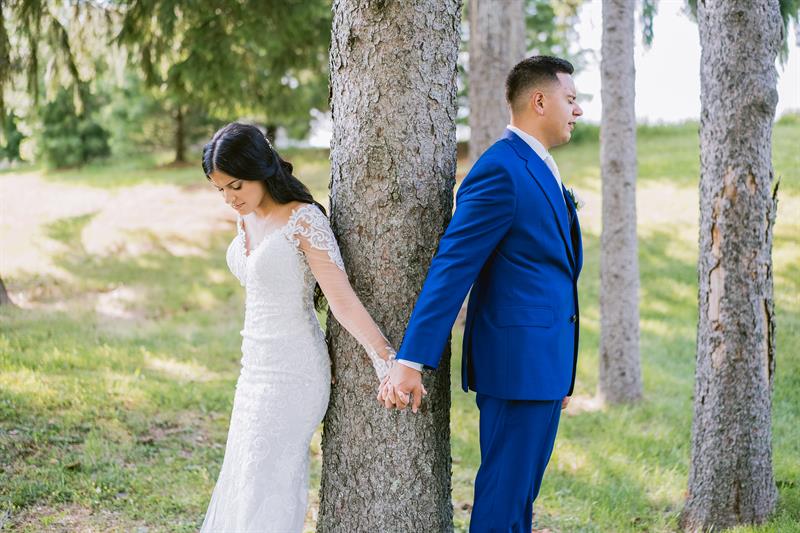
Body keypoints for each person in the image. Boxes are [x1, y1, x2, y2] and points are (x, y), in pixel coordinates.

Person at [379, 56, 584, 532]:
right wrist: (411, 359)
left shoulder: (538, 166)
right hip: (516, 370)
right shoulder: (501, 170)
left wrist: (559, 370)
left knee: (518, 502)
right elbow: (453, 266)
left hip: (542, 367)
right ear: (539, 101)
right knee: (502, 503)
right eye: (570, 99)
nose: (577, 110)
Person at [200, 122, 395, 532]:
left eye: (235, 185)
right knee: (244, 478)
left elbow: (341, 300)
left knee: (267, 481)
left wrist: (386, 359)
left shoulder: (303, 220)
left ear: (259, 169)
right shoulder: (246, 219)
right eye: (220, 190)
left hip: (294, 374)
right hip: (252, 370)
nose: (229, 198)